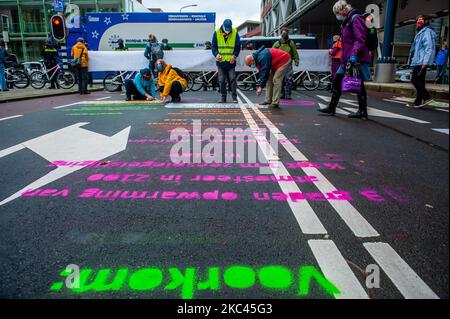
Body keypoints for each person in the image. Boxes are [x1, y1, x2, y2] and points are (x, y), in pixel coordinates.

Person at [318, 0, 372, 119]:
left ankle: (362, 111)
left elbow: (360, 39)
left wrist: (354, 54)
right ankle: (332, 108)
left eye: (337, 12)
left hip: (355, 58)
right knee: (338, 81)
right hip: (346, 59)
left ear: (343, 10)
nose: (337, 15)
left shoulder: (355, 19)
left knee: (358, 84)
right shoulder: (347, 21)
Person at [407, 15, 437, 108]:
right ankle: (418, 101)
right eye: (417, 20)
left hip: (422, 61)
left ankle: (427, 97)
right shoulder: (421, 31)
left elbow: (429, 47)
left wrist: (426, 62)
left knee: (414, 80)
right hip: (419, 60)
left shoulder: (426, 32)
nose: (418, 21)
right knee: (420, 81)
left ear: (426, 21)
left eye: (421, 19)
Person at [211, 19, 241, 103]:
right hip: (221, 62)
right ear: (223, 26)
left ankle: (234, 97)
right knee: (221, 80)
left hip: (231, 62)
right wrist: (216, 54)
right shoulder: (217, 32)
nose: (228, 31)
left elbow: (238, 47)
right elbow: (213, 46)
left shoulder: (234, 31)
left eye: (229, 28)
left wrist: (234, 56)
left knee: (232, 79)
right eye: (226, 28)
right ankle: (223, 97)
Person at [273, 27, 300, 100]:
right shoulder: (277, 43)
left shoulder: (291, 43)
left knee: (288, 79)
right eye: (283, 32)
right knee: (280, 80)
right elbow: (272, 53)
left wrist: (297, 61)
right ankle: (282, 93)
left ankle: (288, 94)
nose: (284, 34)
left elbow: (295, 53)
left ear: (287, 33)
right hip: (279, 64)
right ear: (281, 33)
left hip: (288, 64)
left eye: (285, 32)